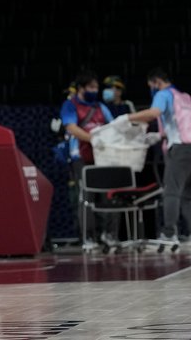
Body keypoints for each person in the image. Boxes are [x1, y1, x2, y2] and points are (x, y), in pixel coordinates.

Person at [118, 67, 191, 248]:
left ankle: (169, 234)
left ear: (156, 82)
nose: (151, 89)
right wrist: (160, 135)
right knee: (189, 193)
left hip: (181, 148)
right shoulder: (184, 97)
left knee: (172, 191)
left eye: (151, 85)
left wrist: (126, 118)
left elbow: (153, 113)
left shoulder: (163, 94)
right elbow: (181, 123)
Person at [60, 70, 116, 251]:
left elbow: (113, 126)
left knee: (107, 197)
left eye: (96, 87)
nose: (95, 90)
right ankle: (88, 237)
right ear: (81, 88)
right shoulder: (70, 105)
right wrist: (93, 139)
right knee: (86, 198)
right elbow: (71, 128)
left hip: (102, 157)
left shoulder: (100, 106)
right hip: (81, 158)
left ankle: (108, 235)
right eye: (91, 87)